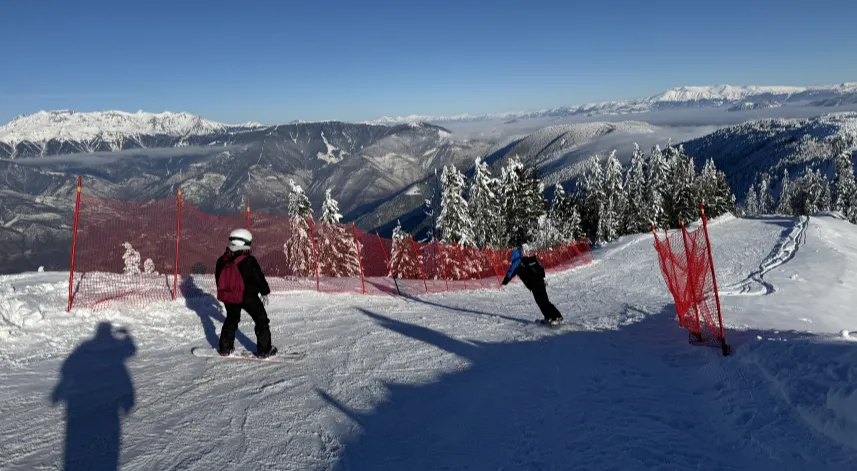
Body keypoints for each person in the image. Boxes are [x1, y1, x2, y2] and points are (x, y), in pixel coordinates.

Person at [215, 228, 277, 357]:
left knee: (231, 319)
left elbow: (219, 280)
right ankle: (264, 350)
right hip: (248, 297)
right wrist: (265, 292)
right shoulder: (249, 261)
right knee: (261, 319)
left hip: (229, 297)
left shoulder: (222, 260)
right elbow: (259, 278)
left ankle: (225, 348)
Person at [501, 240, 564, 326]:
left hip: (535, 284)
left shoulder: (517, 262)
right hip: (539, 282)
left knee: (542, 301)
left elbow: (510, 273)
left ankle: (556, 317)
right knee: (542, 301)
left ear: (513, 256)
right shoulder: (528, 260)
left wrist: (504, 282)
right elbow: (540, 267)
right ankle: (550, 316)